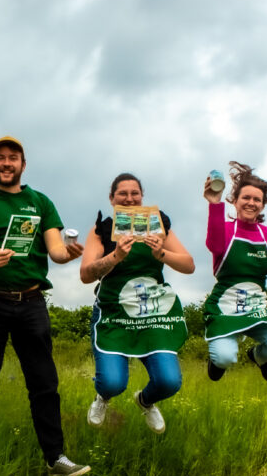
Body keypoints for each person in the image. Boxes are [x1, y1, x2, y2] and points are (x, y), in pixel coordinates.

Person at [0, 135, 88, 476]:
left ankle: (56, 458)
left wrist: (68, 254)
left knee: (44, 384)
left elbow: (55, 250)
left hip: (32, 302)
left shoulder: (40, 202)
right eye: (0, 158)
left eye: (13, 158)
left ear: (23, 165)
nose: (6, 163)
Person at [80, 173, 195, 433]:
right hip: (114, 313)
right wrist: (115, 256)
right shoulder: (101, 230)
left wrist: (161, 253)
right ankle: (103, 396)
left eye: (135, 193)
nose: (130, 199)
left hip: (152, 312)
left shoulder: (158, 225)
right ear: (112, 199)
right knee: (112, 382)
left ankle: (145, 401)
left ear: (142, 196)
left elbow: (188, 265)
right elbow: (86, 274)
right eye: (123, 193)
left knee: (169, 381)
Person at [202, 162, 267, 384]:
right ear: (235, 201)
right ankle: (216, 360)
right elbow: (214, 245)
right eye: (246, 198)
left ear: (263, 205)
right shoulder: (226, 230)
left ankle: (260, 357)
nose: (251, 203)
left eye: (257, 199)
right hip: (225, 308)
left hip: (258, 309)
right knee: (225, 357)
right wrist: (214, 204)